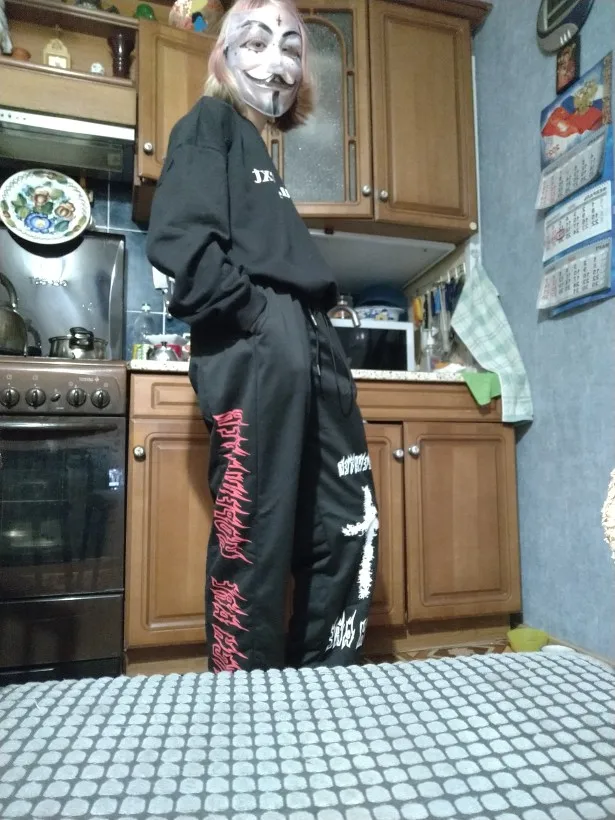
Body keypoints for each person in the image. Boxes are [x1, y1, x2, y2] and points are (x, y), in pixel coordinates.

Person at [146, 0, 379, 673]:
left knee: (346, 526)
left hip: (308, 341)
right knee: (254, 536)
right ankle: (243, 708)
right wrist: (256, 318)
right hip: (262, 340)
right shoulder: (208, 123)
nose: (276, 62)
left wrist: (298, 329)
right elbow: (182, 244)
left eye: (291, 48)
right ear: (222, 54)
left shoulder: (255, 148)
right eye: (254, 43)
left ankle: (326, 689)